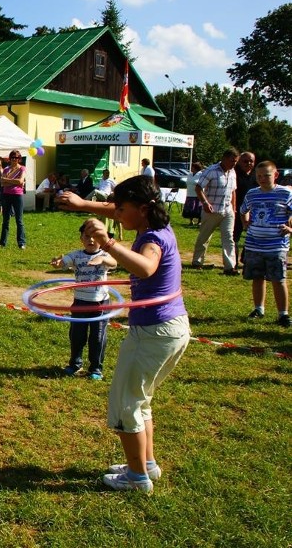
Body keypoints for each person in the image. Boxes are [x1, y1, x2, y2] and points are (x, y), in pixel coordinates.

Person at [56, 175, 189, 493]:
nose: (115, 212)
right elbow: (112, 208)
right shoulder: (149, 222)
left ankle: (137, 477)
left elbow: (145, 267)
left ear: (142, 209)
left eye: (122, 207)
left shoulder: (153, 239)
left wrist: (108, 243)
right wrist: (82, 204)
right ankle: (147, 464)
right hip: (169, 328)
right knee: (142, 400)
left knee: (126, 403)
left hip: (154, 333)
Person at [50, 219, 117, 380]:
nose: (91, 240)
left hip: (100, 302)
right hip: (80, 302)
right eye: (86, 236)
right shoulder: (76, 255)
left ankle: (96, 369)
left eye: (95, 237)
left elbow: (114, 263)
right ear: (81, 238)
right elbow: (63, 262)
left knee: (98, 336)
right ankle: (75, 364)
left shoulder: (105, 255)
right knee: (77, 335)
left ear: (102, 239)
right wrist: (58, 263)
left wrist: (102, 260)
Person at [239, 161, 292, 327]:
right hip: (254, 244)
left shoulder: (285, 194)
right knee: (257, 277)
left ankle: (283, 314)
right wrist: (246, 224)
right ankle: (258, 309)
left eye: (266, 175)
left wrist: (290, 229)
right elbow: (242, 211)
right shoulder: (252, 194)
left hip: (276, 245)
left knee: (279, 279)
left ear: (275, 175)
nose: (262, 179)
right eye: (259, 176)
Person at [192, 148, 239, 274]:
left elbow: (233, 191)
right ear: (223, 159)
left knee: (229, 238)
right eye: (231, 161)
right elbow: (198, 188)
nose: (233, 164)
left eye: (235, 161)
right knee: (204, 237)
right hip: (211, 211)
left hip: (227, 211)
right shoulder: (211, 171)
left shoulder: (233, 172)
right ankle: (197, 261)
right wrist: (205, 203)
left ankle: (230, 267)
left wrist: (233, 209)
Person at [0, 150, 27, 249]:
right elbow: (2, 183)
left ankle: (21, 242)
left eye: (16, 158)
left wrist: (7, 180)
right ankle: (2, 242)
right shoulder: (6, 169)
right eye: (12, 158)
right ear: (10, 159)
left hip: (17, 195)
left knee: (19, 220)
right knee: (5, 220)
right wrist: (15, 182)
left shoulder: (22, 168)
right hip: (6, 195)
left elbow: (20, 181)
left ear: (19, 159)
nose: (14, 160)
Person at [233, 151, 256, 266]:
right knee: (234, 238)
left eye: (251, 161)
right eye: (245, 161)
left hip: (253, 212)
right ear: (239, 162)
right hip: (236, 210)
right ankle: (234, 262)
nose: (248, 163)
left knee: (251, 237)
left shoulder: (256, 176)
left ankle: (245, 259)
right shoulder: (234, 174)